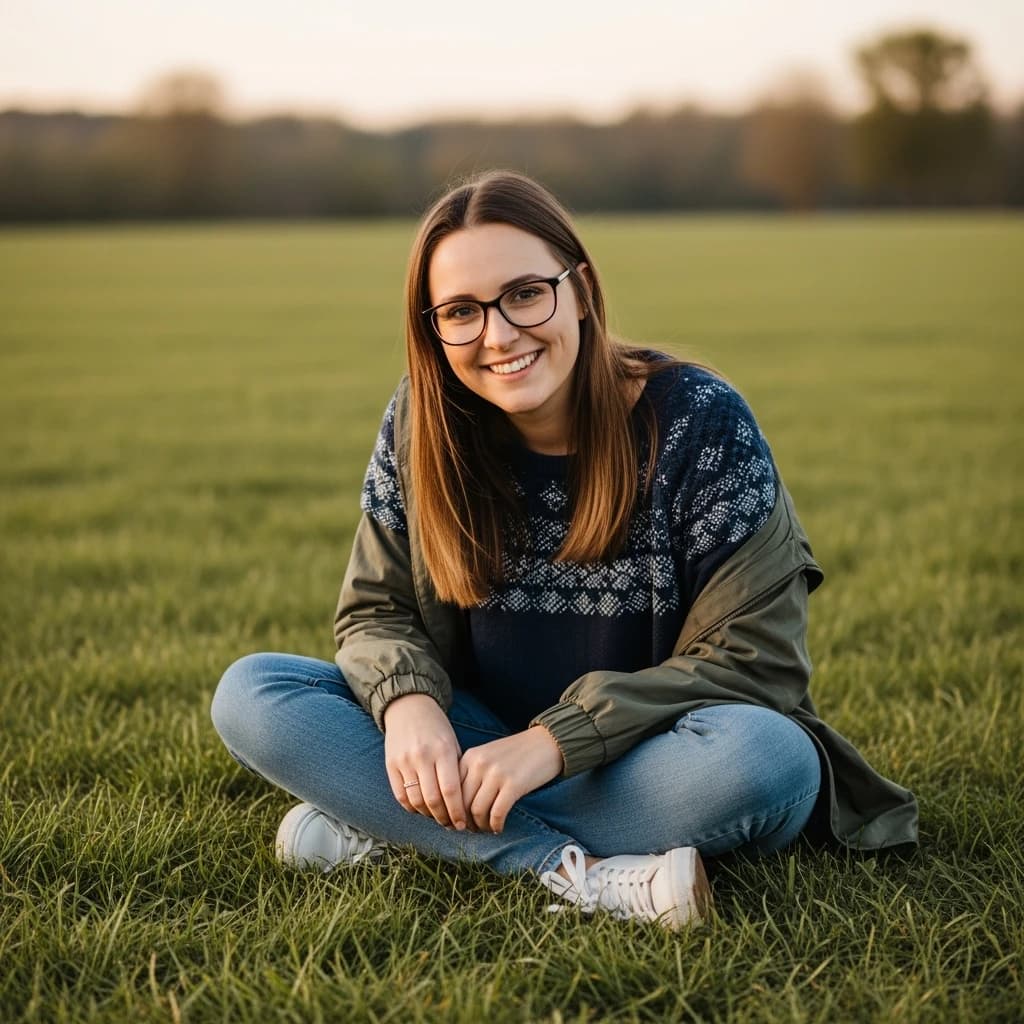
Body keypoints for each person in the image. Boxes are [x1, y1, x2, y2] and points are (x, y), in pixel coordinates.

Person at [211, 170, 918, 929]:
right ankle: (572, 872)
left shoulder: (701, 422)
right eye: (461, 312)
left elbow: (758, 663)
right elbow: (376, 610)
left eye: (523, 294)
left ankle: (397, 829)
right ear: (433, 330)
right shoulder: (424, 424)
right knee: (255, 694)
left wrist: (556, 741)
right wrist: (409, 701)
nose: (499, 335)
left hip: (656, 758)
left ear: (579, 288)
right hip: (478, 744)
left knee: (765, 758)